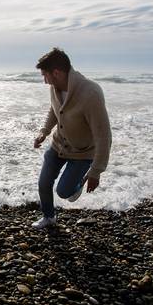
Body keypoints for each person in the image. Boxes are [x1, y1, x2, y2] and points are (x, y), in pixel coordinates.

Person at [32, 48, 112, 229]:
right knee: (44, 182)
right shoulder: (55, 87)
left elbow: (103, 135)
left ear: (57, 73)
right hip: (58, 145)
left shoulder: (90, 93)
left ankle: (79, 180)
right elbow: (54, 109)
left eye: (45, 75)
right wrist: (44, 132)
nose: (44, 81)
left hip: (82, 152)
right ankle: (49, 218)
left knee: (64, 192)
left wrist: (96, 171)